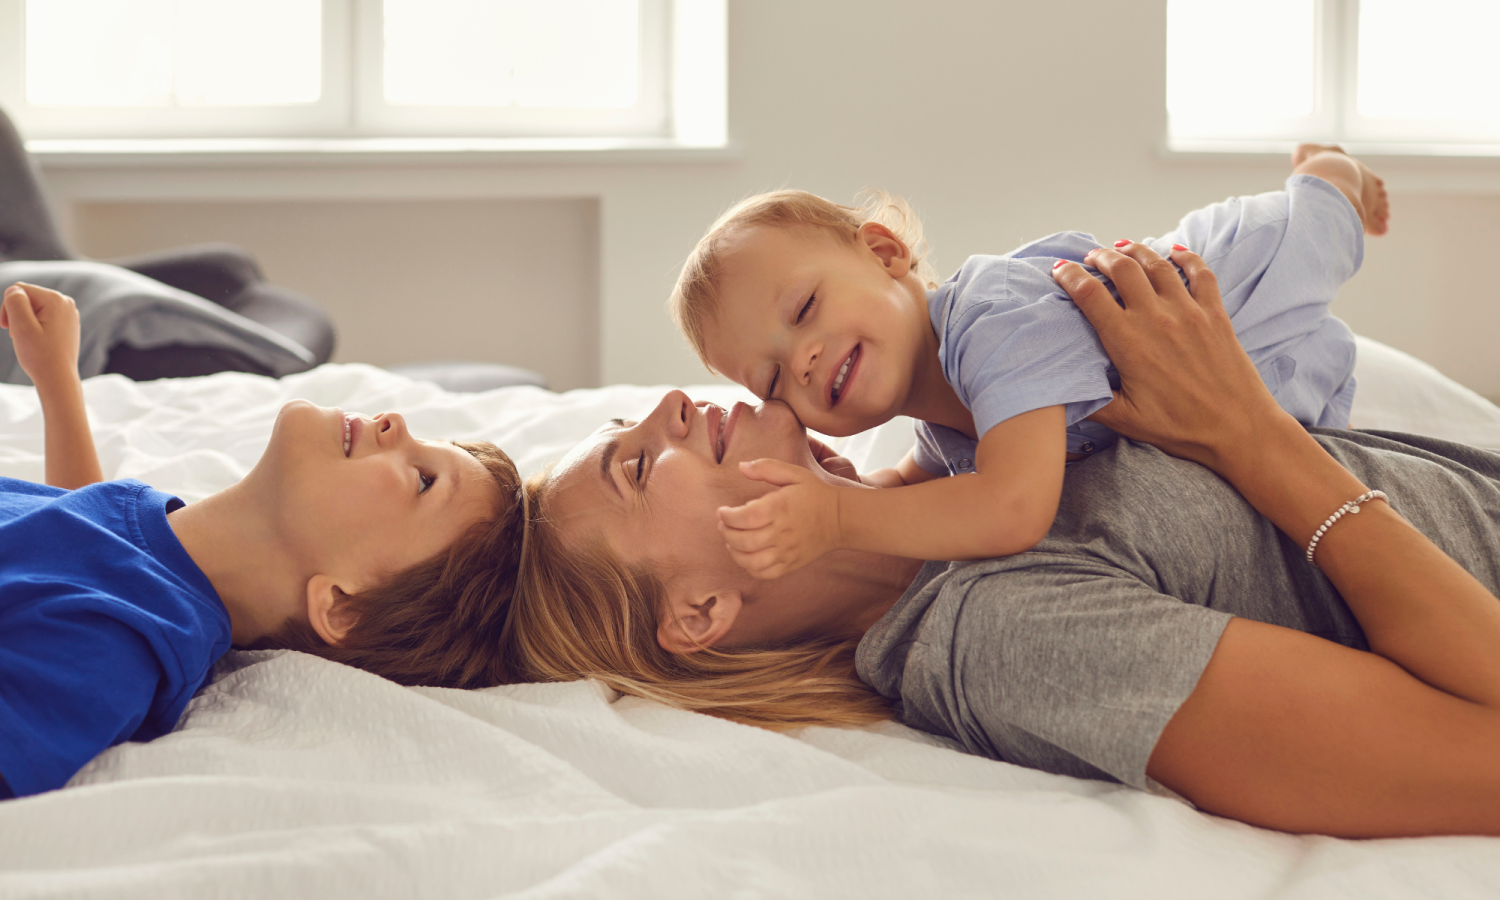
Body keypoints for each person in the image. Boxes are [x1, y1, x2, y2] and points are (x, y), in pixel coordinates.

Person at [501, 243, 1500, 838]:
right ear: (700, 611)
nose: (671, 401)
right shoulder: (1006, 638)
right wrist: (1248, 434)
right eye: (636, 465)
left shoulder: (944, 475)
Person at [667, 145, 1390, 579]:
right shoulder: (946, 433)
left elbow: (1011, 508)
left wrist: (833, 518)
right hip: (1278, 385)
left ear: (885, 254)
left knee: (1323, 224)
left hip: (1239, 279)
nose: (803, 360)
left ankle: (1330, 169)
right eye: (769, 379)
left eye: (803, 312)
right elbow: (905, 491)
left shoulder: (992, 317)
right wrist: (810, 495)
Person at [0, 282, 525, 799]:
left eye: (423, 479)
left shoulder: (114, 650)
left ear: (343, 607)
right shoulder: (146, 550)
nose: (396, 422)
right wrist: (57, 379)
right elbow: (71, 533)